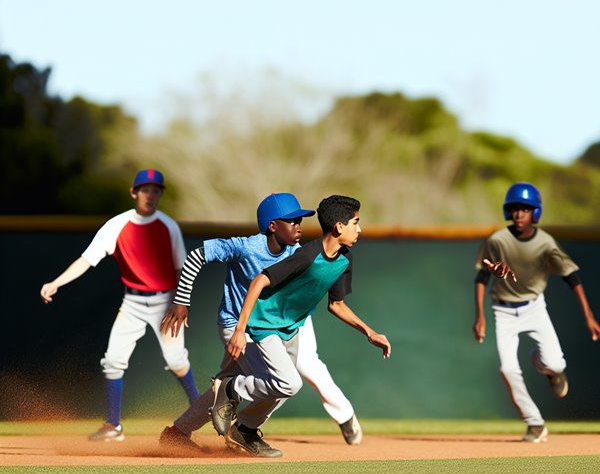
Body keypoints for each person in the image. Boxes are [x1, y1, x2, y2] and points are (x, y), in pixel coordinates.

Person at [158, 193, 365, 452]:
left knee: (230, 388)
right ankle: (245, 431)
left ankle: (178, 433)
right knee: (280, 382)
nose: (299, 225)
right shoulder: (246, 246)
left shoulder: (297, 252)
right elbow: (197, 256)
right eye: (291, 221)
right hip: (237, 324)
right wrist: (181, 300)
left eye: (300, 219)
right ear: (272, 226)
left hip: (268, 327)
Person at [213, 195, 391, 458]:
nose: (360, 229)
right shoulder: (307, 254)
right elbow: (259, 282)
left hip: (291, 328)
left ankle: (245, 429)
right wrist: (240, 330)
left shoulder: (344, 260)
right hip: (265, 324)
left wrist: (369, 332)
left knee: (282, 388)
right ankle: (231, 388)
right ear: (339, 227)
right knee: (289, 384)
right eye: (356, 222)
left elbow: (336, 305)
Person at [40, 169, 199, 441]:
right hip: (133, 302)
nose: (151, 195)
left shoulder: (168, 225)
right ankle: (113, 425)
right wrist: (57, 282)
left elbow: (183, 268)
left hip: (165, 302)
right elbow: (87, 259)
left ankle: (202, 409)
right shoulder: (117, 225)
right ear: (134, 192)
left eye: (156, 190)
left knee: (175, 359)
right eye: (145, 189)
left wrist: (181, 302)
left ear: (160, 194)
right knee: (113, 360)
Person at [473, 182, 600, 443]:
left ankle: (546, 366)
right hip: (503, 310)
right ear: (508, 212)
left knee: (555, 363)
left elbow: (571, 277)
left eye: (525, 208)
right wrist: (480, 316)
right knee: (508, 369)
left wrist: (588, 316)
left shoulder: (545, 243)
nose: (520, 214)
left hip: (534, 307)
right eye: (515, 209)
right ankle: (534, 423)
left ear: (536, 212)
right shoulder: (497, 240)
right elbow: (481, 277)